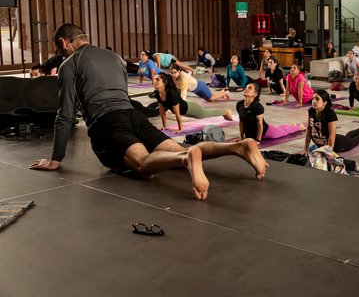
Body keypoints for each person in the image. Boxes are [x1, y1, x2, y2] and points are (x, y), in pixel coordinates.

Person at [29, 23, 267, 201]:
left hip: (107, 123)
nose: (60, 54)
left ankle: (187, 158)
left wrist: (55, 159)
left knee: (143, 164)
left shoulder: (69, 64)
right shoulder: (114, 57)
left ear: (63, 42)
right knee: (178, 149)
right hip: (133, 114)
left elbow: (65, 114)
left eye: (59, 49)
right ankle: (238, 147)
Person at [154, 72, 235, 133]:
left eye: (157, 79)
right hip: (184, 112)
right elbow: (162, 111)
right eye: (155, 79)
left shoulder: (171, 93)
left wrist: (180, 129)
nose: (154, 81)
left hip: (190, 108)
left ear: (165, 82)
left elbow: (177, 113)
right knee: (202, 115)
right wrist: (164, 126)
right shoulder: (158, 93)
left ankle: (226, 112)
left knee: (206, 114)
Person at [302, 89, 359, 154]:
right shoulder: (311, 111)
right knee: (347, 137)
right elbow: (309, 130)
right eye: (313, 99)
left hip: (339, 145)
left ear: (324, 102)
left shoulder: (330, 113)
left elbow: (332, 135)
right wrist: (305, 150)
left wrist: (329, 153)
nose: (313, 101)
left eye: (317, 99)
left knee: (355, 140)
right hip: (324, 143)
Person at [236, 83, 304, 142]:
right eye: (246, 87)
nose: (246, 89)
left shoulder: (257, 106)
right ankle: (289, 126)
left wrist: (258, 140)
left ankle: (299, 127)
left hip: (267, 132)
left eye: (249, 88)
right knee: (279, 129)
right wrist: (241, 137)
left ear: (255, 94)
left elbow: (260, 124)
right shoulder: (239, 104)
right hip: (252, 134)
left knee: (284, 132)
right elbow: (241, 122)